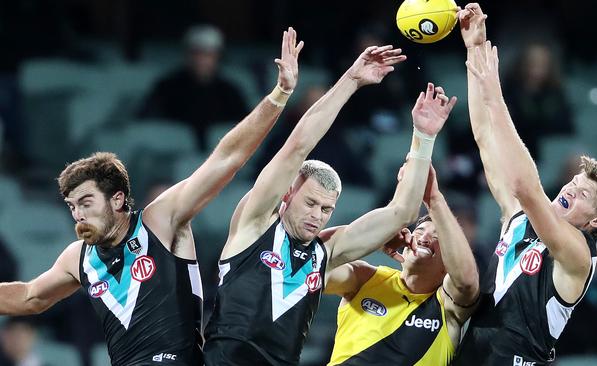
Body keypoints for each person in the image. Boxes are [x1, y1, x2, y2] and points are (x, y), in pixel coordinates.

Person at [0, 27, 304, 365]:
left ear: (117, 199)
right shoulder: (78, 258)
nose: (77, 215)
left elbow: (227, 159)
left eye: (86, 203)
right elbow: (29, 297)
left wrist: (279, 94)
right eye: (72, 207)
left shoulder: (160, 220)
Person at [203, 46, 457, 365]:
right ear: (287, 194)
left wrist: (423, 137)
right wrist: (351, 80)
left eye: (325, 210)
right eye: (310, 203)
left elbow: (402, 213)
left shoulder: (324, 253)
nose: (316, 216)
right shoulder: (255, 224)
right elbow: (298, 147)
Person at [452, 4, 597, 365]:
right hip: (472, 352)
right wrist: (474, 50)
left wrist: (495, 94)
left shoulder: (579, 252)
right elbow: (485, 138)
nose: (568, 190)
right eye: (573, 182)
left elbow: (525, 185)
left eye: (582, 194)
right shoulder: (518, 218)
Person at [325, 163, 479, 365]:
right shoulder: (365, 278)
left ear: (449, 261)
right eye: (419, 231)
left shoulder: (447, 305)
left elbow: (466, 281)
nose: (424, 238)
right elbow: (316, 266)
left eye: (437, 237)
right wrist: (377, 237)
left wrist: (433, 199)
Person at [138, 24, 249, 151]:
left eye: (208, 54)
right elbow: (148, 123)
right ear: (187, 54)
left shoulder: (230, 92)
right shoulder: (166, 88)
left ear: (218, 56)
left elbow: (245, 128)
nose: (201, 60)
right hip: (172, 155)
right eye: (197, 53)